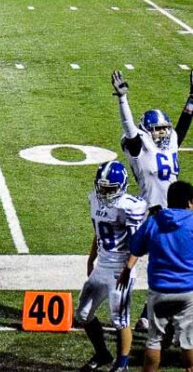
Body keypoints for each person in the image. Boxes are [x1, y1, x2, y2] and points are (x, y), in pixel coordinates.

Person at [74, 161, 146, 372]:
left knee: (120, 319)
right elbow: (98, 232)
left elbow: (137, 244)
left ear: (121, 186)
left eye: (109, 189)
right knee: (83, 314)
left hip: (120, 269)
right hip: (102, 266)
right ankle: (102, 354)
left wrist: (128, 270)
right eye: (102, 188)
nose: (104, 193)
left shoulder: (130, 206)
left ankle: (121, 364)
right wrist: (90, 258)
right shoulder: (94, 200)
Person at [129, 180, 193, 372]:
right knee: (188, 341)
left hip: (159, 291)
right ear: (190, 202)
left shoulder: (154, 222)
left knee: (154, 340)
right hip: (187, 290)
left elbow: (135, 248)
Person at [112, 70, 191, 213]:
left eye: (165, 128)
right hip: (149, 214)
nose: (162, 132)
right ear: (146, 131)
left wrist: (192, 99)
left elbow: (183, 124)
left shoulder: (171, 143)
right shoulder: (141, 148)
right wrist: (122, 99)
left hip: (173, 213)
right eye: (157, 129)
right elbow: (128, 126)